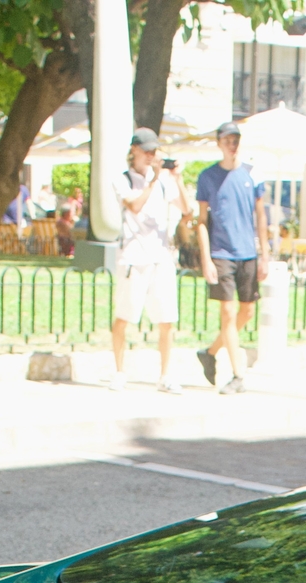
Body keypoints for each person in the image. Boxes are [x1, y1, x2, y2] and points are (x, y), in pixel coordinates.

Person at [193, 120, 272, 394]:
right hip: (220, 252)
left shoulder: (252, 175)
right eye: (227, 139)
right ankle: (238, 374)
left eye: (236, 139)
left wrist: (265, 254)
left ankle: (210, 352)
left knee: (247, 311)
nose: (232, 144)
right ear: (219, 143)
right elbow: (201, 221)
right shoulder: (207, 177)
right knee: (227, 312)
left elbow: (261, 216)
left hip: (247, 252)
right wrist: (206, 259)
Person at [107, 127, 186, 392]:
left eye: (155, 151)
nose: (152, 156)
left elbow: (186, 209)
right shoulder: (123, 180)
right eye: (148, 151)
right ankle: (119, 371)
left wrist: (178, 178)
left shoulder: (163, 180)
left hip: (160, 256)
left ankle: (165, 375)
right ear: (135, 151)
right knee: (124, 316)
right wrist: (153, 181)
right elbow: (135, 205)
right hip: (133, 256)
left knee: (166, 318)